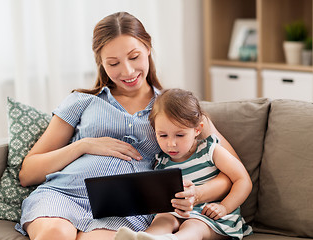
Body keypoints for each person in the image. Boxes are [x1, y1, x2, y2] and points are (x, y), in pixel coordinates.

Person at [15, 12, 237, 240]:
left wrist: (197, 194)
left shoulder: (176, 109)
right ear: (100, 62)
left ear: (148, 48)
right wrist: (83, 145)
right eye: (114, 63)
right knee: (54, 233)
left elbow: (233, 171)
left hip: (126, 211)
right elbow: (28, 173)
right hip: (64, 194)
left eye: (134, 57)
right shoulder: (82, 101)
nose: (128, 71)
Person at [115, 88, 253, 240]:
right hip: (177, 213)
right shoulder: (161, 161)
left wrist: (225, 207)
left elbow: (243, 179)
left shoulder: (210, 150)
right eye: (163, 135)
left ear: (197, 130)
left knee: (192, 225)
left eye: (180, 135)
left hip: (210, 216)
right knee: (163, 219)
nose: (171, 144)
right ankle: (146, 237)